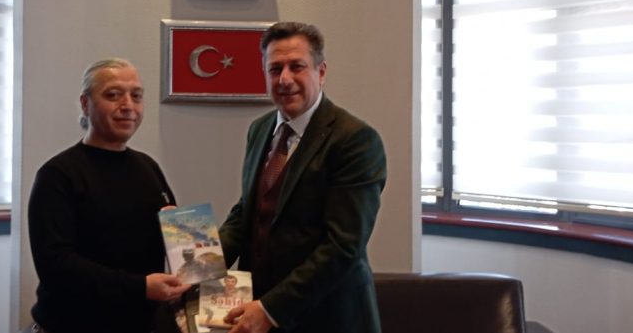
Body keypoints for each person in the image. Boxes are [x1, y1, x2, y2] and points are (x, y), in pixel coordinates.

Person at [218, 22, 387, 333]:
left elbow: (343, 246)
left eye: (297, 66)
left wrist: (271, 309)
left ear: (321, 72)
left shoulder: (355, 140)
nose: (285, 79)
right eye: (275, 69)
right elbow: (249, 213)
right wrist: (202, 263)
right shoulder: (259, 129)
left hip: (328, 319)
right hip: (258, 314)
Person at [28, 58, 190, 333]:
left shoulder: (148, 167)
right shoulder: (58, 175)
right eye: (113, 95)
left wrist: (179, 234)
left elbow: (169, 246)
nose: (128, 106)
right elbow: (56, 265)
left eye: (136, 96)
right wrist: (140, 287)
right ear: (85, 104)